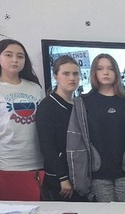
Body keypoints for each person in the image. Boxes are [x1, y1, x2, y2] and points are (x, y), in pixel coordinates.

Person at [67, 53, 125, 202]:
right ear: (94, 72)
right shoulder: (82, 102)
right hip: (97, 176)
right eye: (100, 68)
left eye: (110, 68)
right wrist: (80, 182)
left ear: (116, 72)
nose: (105, 72)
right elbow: (75, 144)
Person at [0, 39, 44, 171]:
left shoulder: (35, 88)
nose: (15, 60)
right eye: (8, 55)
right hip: (6, 164)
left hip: (38, 163)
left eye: (20, 56)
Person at [36, 55, 87, 201]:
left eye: (75, 74)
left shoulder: (79, 104)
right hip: (60, 177)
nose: (72, 78)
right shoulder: (48, 105)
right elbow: (46, 145)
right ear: (56, 76)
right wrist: (62, 177)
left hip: (79, 173)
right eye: (66, 74)